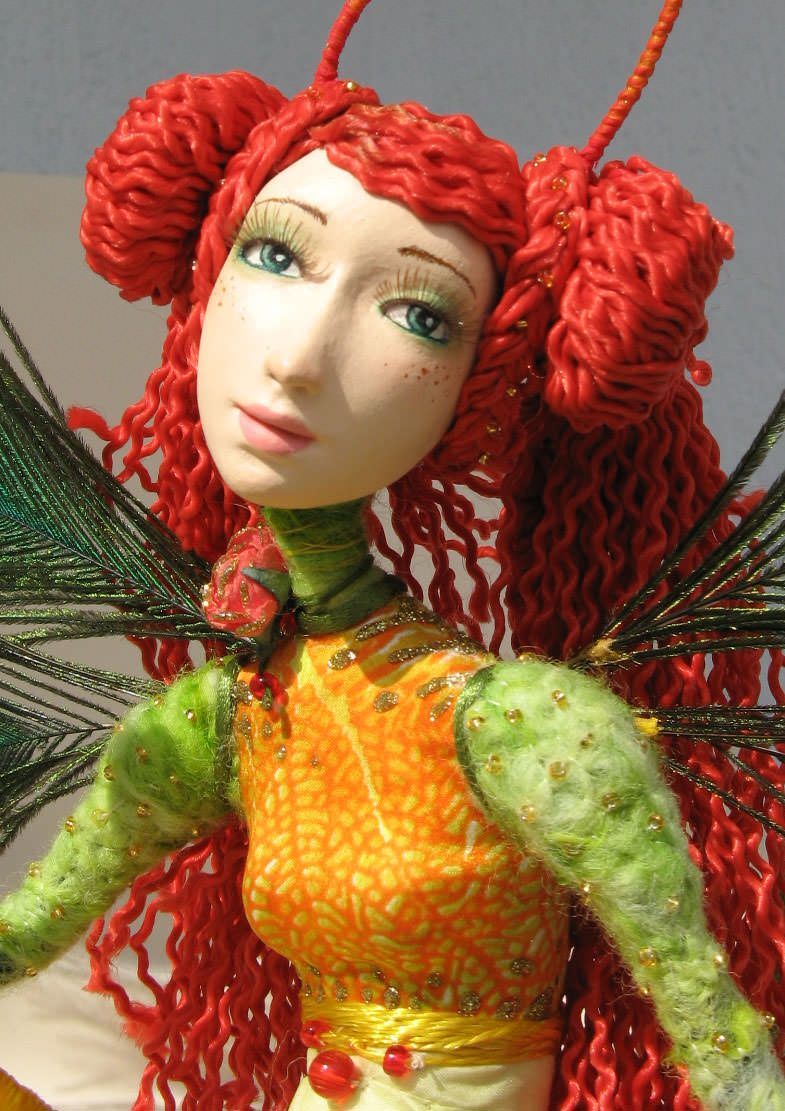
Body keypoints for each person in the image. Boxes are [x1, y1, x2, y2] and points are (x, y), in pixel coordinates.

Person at [0, 1, 783, 1107]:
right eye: (275, 254)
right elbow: (30, 927)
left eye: (419, 315)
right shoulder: (226, 718)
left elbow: (717, 1035)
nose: (298, 356)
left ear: (477, 391)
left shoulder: (518, 728)